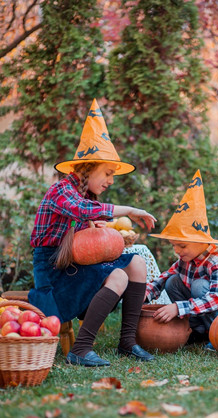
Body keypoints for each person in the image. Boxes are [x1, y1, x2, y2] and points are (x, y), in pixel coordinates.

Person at [28, 99, 156, 366]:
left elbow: (87, 222)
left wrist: (93, 228)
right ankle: (81, 349)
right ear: (88, 168)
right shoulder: (61, 190)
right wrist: (129, 210)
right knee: (119, 275)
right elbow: (84, 209)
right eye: (108, 173)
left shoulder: (83, 194)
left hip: (73, 265)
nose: (110, 180)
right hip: (53, 273)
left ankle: (128, 342)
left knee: (137, 263)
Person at [145, 170, 218, 351]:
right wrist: (144, 294)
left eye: (181, 246)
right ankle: (198, 331)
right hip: (207, 312)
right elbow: (164, 277)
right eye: (173, 245)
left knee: (199, 285)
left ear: (202, 241)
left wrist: (178, 308)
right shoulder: (187, 259)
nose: (176, 251)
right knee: (173, 281)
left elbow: (216, 298)